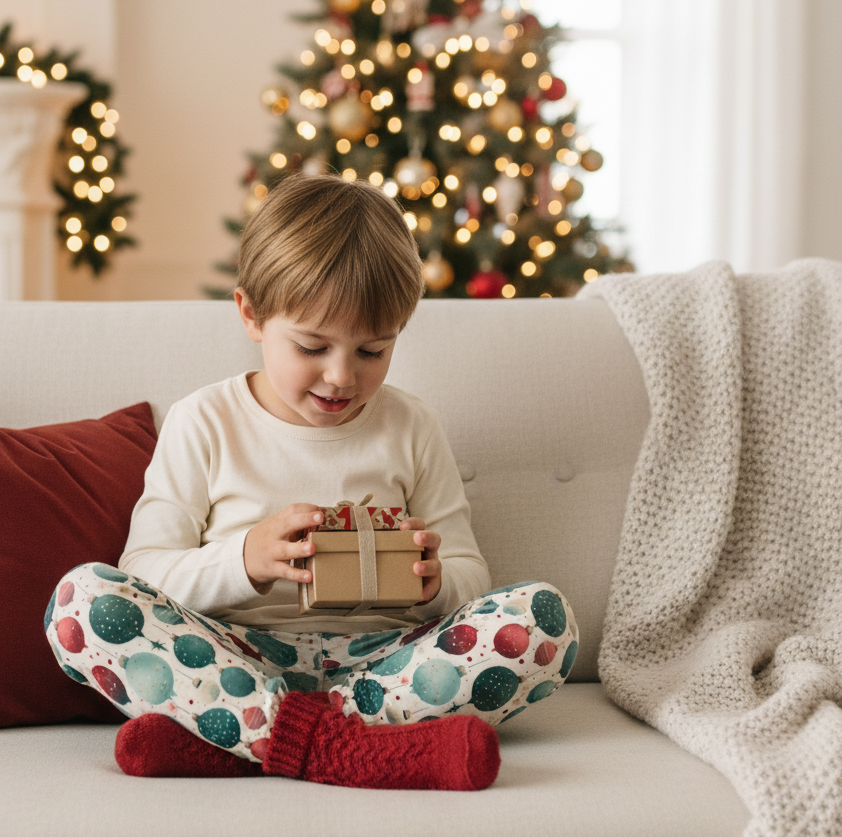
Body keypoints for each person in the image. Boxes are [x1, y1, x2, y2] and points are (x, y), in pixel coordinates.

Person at [45, 174, 577, 790]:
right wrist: (247, 560)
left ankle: (241, 741)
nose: (341, 376)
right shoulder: (205, 421)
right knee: (79, 603)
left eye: (373, 351)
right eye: (311, 346)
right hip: (235, 656)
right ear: (251, 315)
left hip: (382, 664)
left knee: (545, 620)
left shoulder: (411, 425)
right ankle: (351, 749)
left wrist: (434, 582)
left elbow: (470, 576)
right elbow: (144, 572)